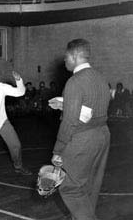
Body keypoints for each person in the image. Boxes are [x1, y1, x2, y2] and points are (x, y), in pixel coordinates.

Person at [48, 39, 110, 220]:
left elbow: (69, 121)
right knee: (89, 187)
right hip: (103, 135)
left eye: (67, 55)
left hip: (83, 139)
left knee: (70, 187)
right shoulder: (100, 77)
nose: (64, 59)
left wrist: (58, 150)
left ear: (75, 55)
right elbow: (92, 109)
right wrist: (65, 103)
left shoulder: (75, 81)